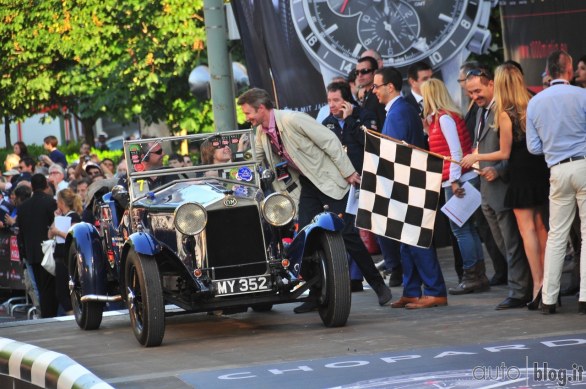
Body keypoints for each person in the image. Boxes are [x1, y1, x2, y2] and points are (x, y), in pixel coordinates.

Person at [237, 87, 392, 311]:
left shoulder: (292, 119)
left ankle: (379, 286)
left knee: (347, 234)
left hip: (330, 180)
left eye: (248, 113)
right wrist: (240, 161)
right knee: (305, 238)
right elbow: (254, 162)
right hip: (308, 185)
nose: (247, 118)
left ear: (261, 108)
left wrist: (348, 171)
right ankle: (315, 294)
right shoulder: (261, 133)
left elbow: (329, 140)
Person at [462, 63, 549, 307]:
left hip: (513, 180)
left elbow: (508, 152)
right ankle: (542, 288)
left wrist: (482, 161)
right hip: (520, 178)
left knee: (522, 237)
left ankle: (530, 288)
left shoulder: (504, 110)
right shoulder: (524, 105)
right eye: (470, 92)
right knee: (532, 234)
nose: (474, 96)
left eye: (478, 90)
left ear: (495, 83)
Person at [372, 67, 448, 309]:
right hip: (407, 183)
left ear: (390, 87)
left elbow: (393, 153)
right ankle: (412, 290)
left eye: (376, 86)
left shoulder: (398, 113)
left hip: (407, 184)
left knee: (415, 240)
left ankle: (435, 291)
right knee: (406, 242)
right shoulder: (400, 109)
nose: (373, 90)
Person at [526, 50, 586, 314]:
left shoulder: (536, 102)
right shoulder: (582, 95)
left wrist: (553, 148)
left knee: (556, 236)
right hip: (583, 164)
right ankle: (585, 296)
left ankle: (548, 298)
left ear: (549, 72)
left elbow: (533, 147)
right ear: (569, 70)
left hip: (556, 170)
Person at [421, 78, 489, 295]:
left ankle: (472, 275)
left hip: (457, 179)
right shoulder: (446, 117)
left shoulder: (444, 119)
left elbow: (455, 153)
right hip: (460, 177)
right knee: (467, 228)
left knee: (461, 230)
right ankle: (478, 274)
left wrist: (454, 180)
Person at [321, 81, 377, 292]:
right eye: (329, 101)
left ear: (347, 100)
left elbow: (370, 144)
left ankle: (391, 268)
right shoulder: (326, 123)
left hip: (367, 179)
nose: (332, 105)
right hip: (342, 185)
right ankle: (353, 277)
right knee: (348, 229)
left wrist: (351, 119)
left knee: (371, 227)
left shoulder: (365, 116)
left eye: (336, 100)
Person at [17, 174, 58, 318]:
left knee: (40, 287)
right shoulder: (50, 202)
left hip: (32, 252)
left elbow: (20, 231)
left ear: (32, 187)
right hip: (48, 250)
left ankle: (46, 314)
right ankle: (50, 314)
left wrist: (24, 253)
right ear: (46, 184)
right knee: (49, 287)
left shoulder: (23, 207)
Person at [48, 188, 82, 315]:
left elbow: (72, 235)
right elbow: (49, 234)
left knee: (63, 291)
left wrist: (58, 232)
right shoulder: (61, 217)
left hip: (66, 257)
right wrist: (55, 219)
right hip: (59, 256)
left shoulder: (73, 216)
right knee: (62, 290)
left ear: (61, 202)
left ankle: (72, 313)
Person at [355, 56, 386, 130]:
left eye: (364, 71)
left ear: (375, 72)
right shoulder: (366, 94)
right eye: (357, 72)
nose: (360, 75)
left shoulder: (379, 95)